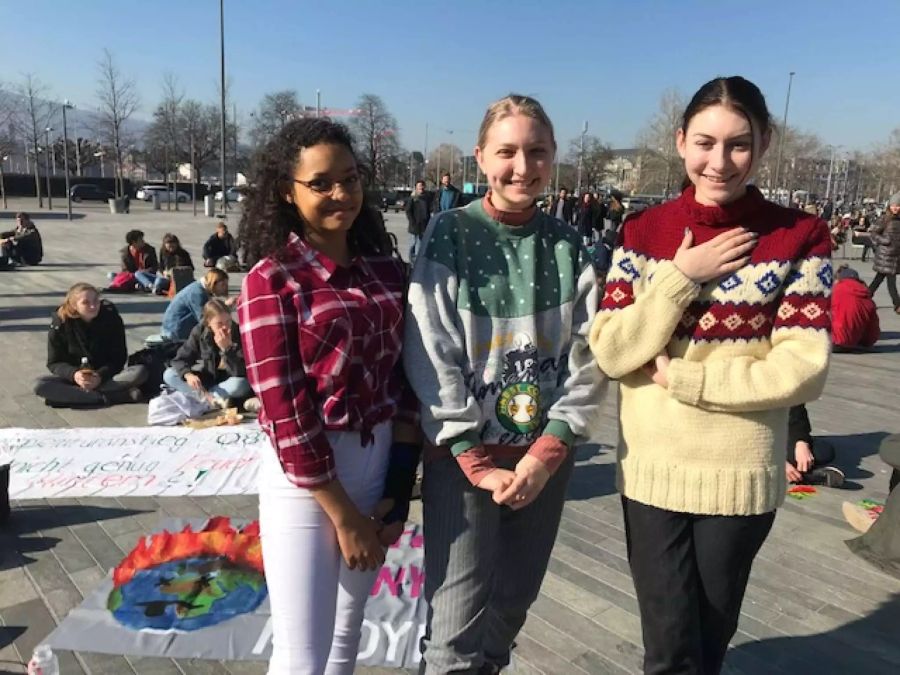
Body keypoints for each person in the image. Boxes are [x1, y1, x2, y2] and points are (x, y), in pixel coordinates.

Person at [589, 76, 832, 675]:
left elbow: (802, 367)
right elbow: (614, 351)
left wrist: (688, 381)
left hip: (738, 471)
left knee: (707, 643)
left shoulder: (800, 236)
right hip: (652, 469)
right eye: (704, 142)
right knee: (670, 650)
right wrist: (681, 275)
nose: (718, 162)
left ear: (764, 143)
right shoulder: (643, 234)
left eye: (738, 145)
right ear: (679, 142)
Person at [404, 94, 604, 674]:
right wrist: (470, 454)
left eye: (536, 152)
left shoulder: (570, 246)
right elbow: (430, 349)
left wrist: (549, 450)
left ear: (553, 157)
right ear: (480, 157)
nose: (523, 167)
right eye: (507, 152)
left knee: (513, 603)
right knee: (454, 622)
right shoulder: (448, 234)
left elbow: (589, 358)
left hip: (542, 459)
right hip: (463, 461)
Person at [236, 117, 420, 674]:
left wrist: (395, 491)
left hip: (377, 461)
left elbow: (405, 381)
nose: (341, 193)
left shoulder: (387, 271)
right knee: (300, 652)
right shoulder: (272, 280)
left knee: (346, 635)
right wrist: (344, 518)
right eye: (321, 183)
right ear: (288, 193)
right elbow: (285, 413)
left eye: (350, 177)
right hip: (307, 480)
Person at [33, 283, 148, 407]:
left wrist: (99, 376)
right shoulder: (60, 324)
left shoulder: (111, 319)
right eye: (85, 302)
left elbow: (118, 358)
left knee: (140, 372)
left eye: (96, 301)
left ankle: (71, 398)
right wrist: (74, 374)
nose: (93, 306)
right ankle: (112, 397)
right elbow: (54, 362)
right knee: (40, 385)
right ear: (74, 305)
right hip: (75, 379)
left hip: (105, 377)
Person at [162, 299, 255, 409]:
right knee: (169, 374)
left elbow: (241, 372)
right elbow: (180, 359)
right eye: (219, 324)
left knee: (240, 385)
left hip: (228, 382)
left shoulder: (238, 332)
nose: (225, 327)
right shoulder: (200, 332)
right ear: (209, 323)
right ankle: (211, 400)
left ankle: (204, 399)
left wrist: (228, 349)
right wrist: (188, 374)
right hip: (208, 380)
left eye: (228, 322)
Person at [160, 268, 230, 341]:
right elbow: (204, 320)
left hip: (172, 329)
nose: (225, 288)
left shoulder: (199, 288)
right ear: (213, 283)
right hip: (174, 332)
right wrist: (224, 308)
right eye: (223, 285)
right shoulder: (198, 294)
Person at [785, 404, 843, 486]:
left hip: (777, 432)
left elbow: (796, 410)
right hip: (762, 443)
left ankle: (794, 473)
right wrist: (778, 461)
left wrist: (801, 441)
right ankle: (807, 476)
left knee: (823, 452)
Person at [832, 265, 880, 350]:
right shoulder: (867, 298)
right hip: (852, 344)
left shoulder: (835, 291)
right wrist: (864, 342)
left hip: (831, 341)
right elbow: (873, 331)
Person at [867, 192, 900, 314]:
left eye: (898, 205)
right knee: (890, 281)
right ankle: (897, 304)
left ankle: (865, 298)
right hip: (885, 256)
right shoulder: (884, 219)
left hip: (896, 257)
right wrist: (884, 241)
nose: (895, 208)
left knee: (878, 279)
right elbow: (873, 233)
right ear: (889, 206)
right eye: (893, 205)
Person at [405, 179, 431, 261]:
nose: (421, 188)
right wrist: (412, 222)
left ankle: (417, 261)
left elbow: (428, 211)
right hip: (414, 225)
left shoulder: (426, 198)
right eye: (419, 186)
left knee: (420, 245)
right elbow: (408, 211)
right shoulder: (413, 198)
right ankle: (411, 261)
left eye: (422, 186)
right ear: (416, 188)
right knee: (413, 244)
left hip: (423, 225)